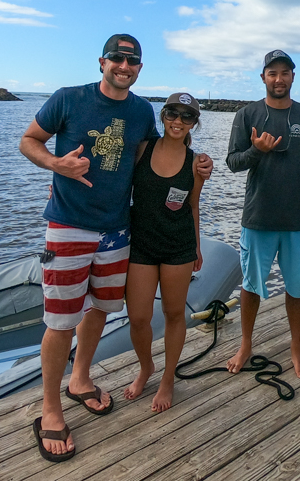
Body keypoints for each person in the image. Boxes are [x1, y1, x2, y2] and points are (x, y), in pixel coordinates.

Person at [18, 34, 212, 462]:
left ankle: (81, 380)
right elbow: (29, 140)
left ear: (140, 68)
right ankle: (50, 408)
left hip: (118, 231)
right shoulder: (68, 99)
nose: (124, 65)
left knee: (101, 309)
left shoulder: (142, 111)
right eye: (117, 58)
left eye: (132, 61)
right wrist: (56, 163)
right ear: (102, 61)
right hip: (68, 224)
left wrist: (200, 168)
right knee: (60, 317)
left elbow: (153, 164)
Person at [225, 50, 300, 379]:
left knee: (297, 287)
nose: (279, 79)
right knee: (252, 285)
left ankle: (296, 347)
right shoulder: (247, 114)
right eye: (273, 73)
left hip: (297, 219)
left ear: (293, 77)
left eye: (285, 72)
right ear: (263, 77)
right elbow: (232, 163)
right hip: (258, 218)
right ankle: (245, 344)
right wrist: (258, 150)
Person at [123, 93, 206, 413]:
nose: (178, 121)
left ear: (194, 124)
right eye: (173, 113)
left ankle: (168, 378)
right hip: (141, 245)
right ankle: (147, 368)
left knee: (174, 314)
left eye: (187, 117)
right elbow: (113, 181)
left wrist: (197, 246)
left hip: (178, 247)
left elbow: (193, 206)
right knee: (139, 317)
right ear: (163, 115)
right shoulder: (142, 149)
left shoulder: (197, 163)